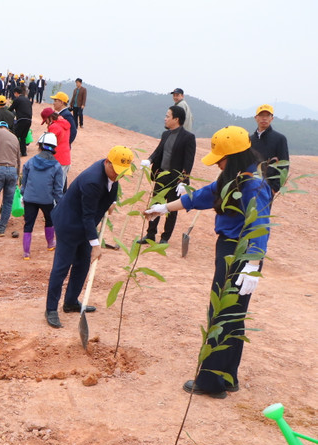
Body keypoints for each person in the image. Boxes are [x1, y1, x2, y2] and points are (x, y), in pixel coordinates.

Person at [143, 126, 272, 399]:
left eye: (220, 159)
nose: (217, 164)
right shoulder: (234, 177)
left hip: (240, 253)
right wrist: (165, 207)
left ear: (233, 156)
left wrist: (252, 264)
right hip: (230, 249)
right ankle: (228, 377)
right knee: (232, 316)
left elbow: (260, 225)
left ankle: (211, 383)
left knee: (222, 315)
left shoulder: (254, 184)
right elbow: (202, 196)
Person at [45, 146, 133, 328]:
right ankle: (51, 309)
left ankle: (70, 302)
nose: (118, 175)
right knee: (62, 267)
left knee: (83, 263)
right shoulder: (92, 180)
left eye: (122, 172)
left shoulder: (111, 173)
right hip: (69, 224)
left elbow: (112, 185)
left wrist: (112, 201)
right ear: (107, 162)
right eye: (116, 171)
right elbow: (87, 216)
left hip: (85, 225)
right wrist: (96, 244)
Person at [137, 105, 196, 244]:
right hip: (161, 175)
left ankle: (165, 238)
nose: (165, 118)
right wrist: (149, 160)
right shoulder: (166, 134)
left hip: (175, 179)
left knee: (171, 208)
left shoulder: (188, 137)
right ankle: (150, 234)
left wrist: (184, 181)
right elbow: (158, 152)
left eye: (168, 116)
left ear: (176, 119)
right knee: (155, 203)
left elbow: (189, 161)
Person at [20, 133, 66, 259]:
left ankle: (26, 253)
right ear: (54, 148)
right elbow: (58, 189)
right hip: (47, 200)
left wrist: (23, 194)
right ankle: (50, 244)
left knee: (28, 224)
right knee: (49, 220)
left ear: (40, 146)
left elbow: (24, 182)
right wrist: (60, 203)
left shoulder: (30, 162)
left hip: (29, 198)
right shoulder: (56, 166)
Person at [249, 104, 289, 193]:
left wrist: (274, 188)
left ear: (272, 118)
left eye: (268, 115)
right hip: (250, 185)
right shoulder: (250, 140)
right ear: (256, 118)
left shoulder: (279, 139)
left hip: (268, 187)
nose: (264, 118)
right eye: (261, 115)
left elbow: (284, 165)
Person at [40, 108, 71, 187]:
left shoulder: (54, 127)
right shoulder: (64, 123)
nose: (46, 123)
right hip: (66, 158)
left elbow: (48, 145)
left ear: (50, 117)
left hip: (56, 159)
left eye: (46, 121)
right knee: (60, 186)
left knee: (52, 186)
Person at [9, 86, 33, 157]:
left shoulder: (17, 100)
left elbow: (10, 109)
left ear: (16, 93)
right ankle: (23, 152)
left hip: (21, 120)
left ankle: (13, 152)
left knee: (15, 136)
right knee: (23, 137)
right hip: (29, 120)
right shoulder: (27, 99)